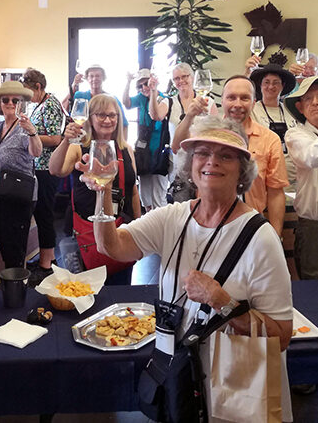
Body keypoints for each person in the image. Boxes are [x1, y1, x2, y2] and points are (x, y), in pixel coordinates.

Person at [88, 116, 293, 421]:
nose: (212, 162)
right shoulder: (172, 217)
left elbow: (282, 335)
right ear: (190, 164)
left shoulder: (260, 238)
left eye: (225, 155)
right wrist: (103, 191)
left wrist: (221, 301)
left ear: (241, 170)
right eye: (202, 153)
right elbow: (112, 246)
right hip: (180, 378)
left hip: (236, 390)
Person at [172, 75, 288, 237]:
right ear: (223, 101)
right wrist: (190, 116)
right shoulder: (208, 132)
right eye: (231, 98)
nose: (237, 104)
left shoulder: (270, 139)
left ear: (254, 102)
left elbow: (276, 192)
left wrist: (275, 235)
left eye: (245, 98)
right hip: (206, 226)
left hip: (250, 228)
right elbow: (177, 146)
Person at [49, 94, 141, 284]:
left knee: (120, 289)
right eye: (100, 115)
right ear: (90, 118)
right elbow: (55, 170)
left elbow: (133, 191)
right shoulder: (79, 147)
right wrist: (66, 140)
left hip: (121, 229)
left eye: (112, 115)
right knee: (86, 293)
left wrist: (139, 227)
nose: (108, 120)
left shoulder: (126, 149)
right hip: (86, 233)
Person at [285, 76, 318, 279]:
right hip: (313, 230)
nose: (315, 102)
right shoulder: (295, 135)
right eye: (308, 99)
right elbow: (313, 157)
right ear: (300, 107)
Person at [0, 81, 42, 268]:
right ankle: (11, 283)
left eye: (16, 100)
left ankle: (18, 286)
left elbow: (36, 152)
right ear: (0, 103)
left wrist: (33, 133)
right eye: (6, 100)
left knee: (16, 246)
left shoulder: (25, 127)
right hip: (1, 193)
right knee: (5, 243)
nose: (10, 103)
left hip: (19, 195)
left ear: (22, 104)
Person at [149, 62, 218, 201]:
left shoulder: (208, 102)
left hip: (204, 162)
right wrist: (153, 91)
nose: (181, 81)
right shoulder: (170, 102)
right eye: (176, 79)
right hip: (178, 165)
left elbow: (216, 133)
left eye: (184, 77)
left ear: (192, 77)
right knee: (181, 207)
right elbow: (155, 115)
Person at [20, 68, 63, 285]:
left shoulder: (51, 104)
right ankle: (48, 258)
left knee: (45, 213)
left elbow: (56, 138)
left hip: (47, 167)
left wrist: (30, 135)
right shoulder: (38, 104)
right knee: (41, 212)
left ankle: (47, 264)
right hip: (37, 166)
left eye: (28, 92)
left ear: (38, 87)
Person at [122, 68, 167, 210]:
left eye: (146, 83)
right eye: (139, 86)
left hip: (159, 150)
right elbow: (127, 103)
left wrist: (153, 91)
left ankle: (161, 226)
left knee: (159, 194)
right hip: (143, 151)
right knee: (145, 193)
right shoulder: (141, 98)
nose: (143, 88)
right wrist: (128, 81)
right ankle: (148, 220)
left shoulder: (163, 99)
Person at [249, 64, 297, 186]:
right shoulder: (252, 110)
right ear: (260, 85)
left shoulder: (291, 111)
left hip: (294, 179)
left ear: (283, 86)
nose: (271, 86)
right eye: (266, 82)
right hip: (263, 179)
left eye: (276, 83)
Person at [66, 64, 129, 130]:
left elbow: (124, 124)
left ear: (103, 78)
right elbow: (65, 109)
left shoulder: (112, 99)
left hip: (104, 137)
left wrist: (121, 140)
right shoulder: (80, 96)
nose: (94, 79)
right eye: (91, 76)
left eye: (98, 76)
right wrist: (74, 85)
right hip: (82, 136)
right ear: (87, 78)